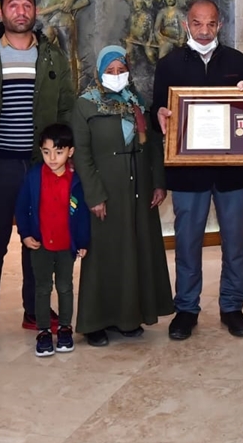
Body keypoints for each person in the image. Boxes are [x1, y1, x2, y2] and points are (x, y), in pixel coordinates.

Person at [0, 0, 76, 353]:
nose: (21, 11)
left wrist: (64, 160)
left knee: (36, 242)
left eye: (28, 5)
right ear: (0, 12)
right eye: (14, 5)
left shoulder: (53, 57)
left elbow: (65, 110)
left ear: (35, 11)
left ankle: (34, 310)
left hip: (38, 168)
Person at [151, 0, 243, 341]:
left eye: (211, 24)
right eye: (197, 24)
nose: (204, 30)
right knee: (187, 241)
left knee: (235, 241)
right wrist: (160, 117)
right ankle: (186, 307)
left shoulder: (239, 63)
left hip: (234, 172)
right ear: (187, 24)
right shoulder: (168, 65)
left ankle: (232, 306)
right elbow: (158, 111)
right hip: (188, 173)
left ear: (220, 25)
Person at [72, 45, 172, 346]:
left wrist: (158, 182)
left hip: (140, 189)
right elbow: (82, 155)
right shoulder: (85, 105)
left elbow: (152, 144)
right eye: (110, 71)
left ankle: (129, 317)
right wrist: (94, 196)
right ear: (99, 73)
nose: (117, 75)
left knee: (135, 252)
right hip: (107, 191)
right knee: (105, 256)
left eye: (121, 70)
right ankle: (96, 322)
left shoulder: (136, 101)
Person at [15, 123, 91, 357]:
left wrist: (83, 242)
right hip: (40, 245)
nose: (52, 158)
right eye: (46, 152)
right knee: (42, 288)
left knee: (65, 287)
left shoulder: (76, 180)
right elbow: (22, 206)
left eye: (58, 152)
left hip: (66, 245)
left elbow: (83, 215)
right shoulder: (34, 176)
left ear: (70, 151)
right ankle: (44, 331)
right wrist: (25, 234)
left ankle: (65, 327)